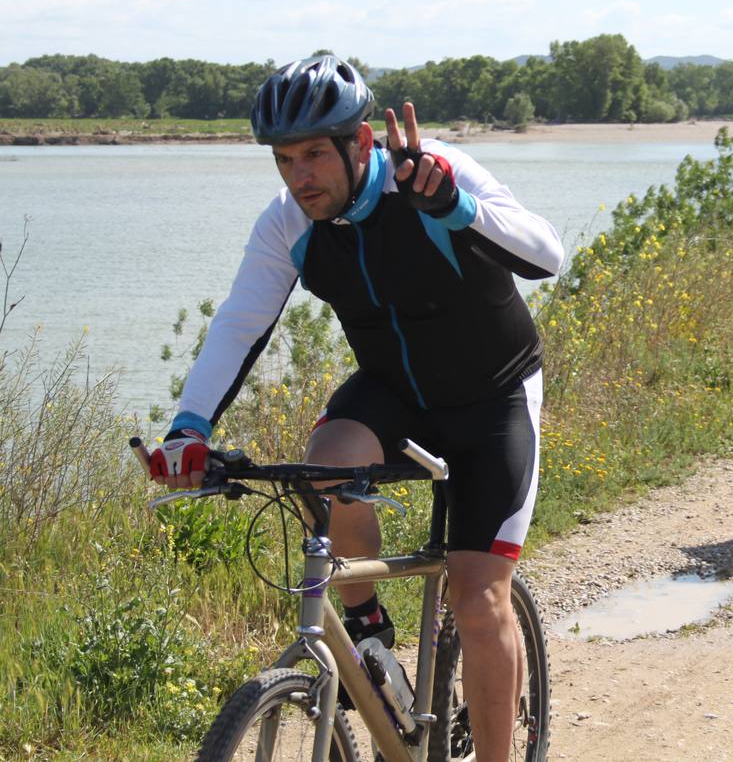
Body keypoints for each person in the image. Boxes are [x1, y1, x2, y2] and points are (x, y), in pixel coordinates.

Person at [147, 54, 563, 762]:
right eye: (284, 160)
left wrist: (457, 211)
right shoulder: (288, 224)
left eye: (314, 154)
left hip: (493, 396)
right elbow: (241, 325)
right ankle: (368, 628)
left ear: (361, 142)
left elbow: (547, 254)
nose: (299, 176)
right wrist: (190, 427)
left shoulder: (432, 173)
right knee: (325, 463)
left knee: (477, 595)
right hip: (395, 393)